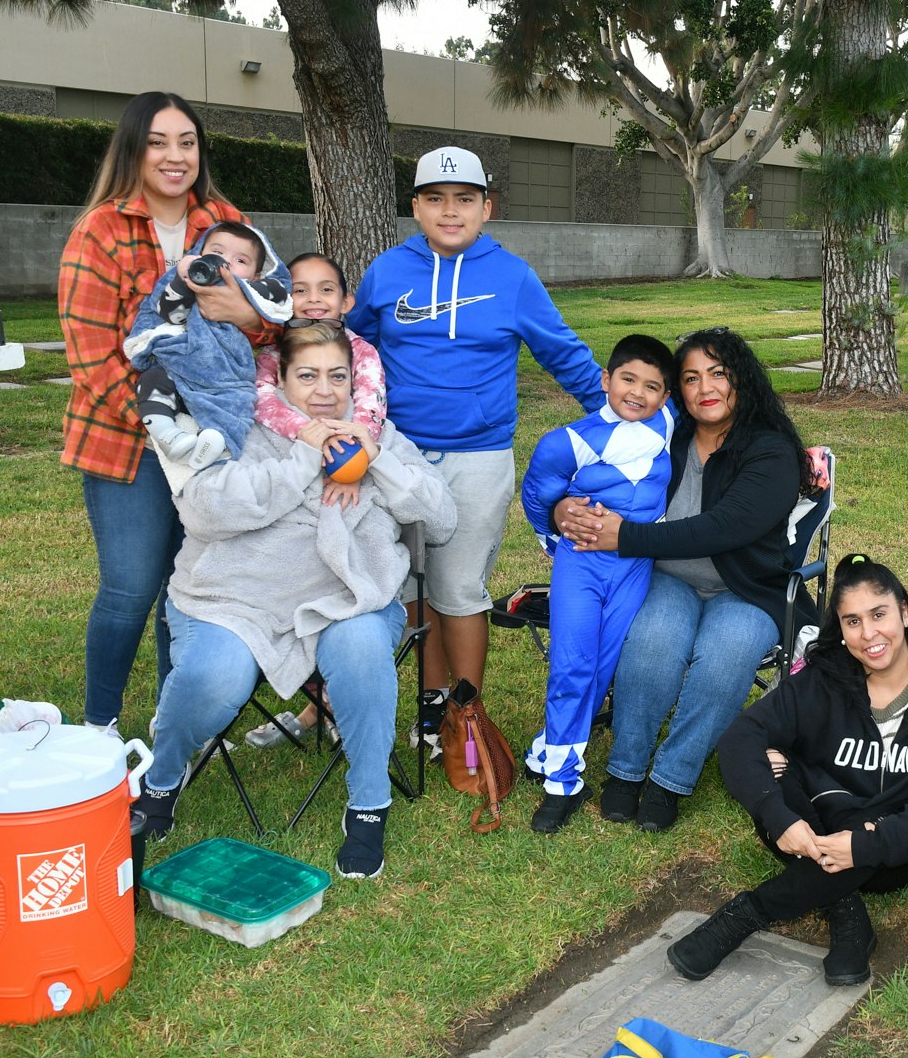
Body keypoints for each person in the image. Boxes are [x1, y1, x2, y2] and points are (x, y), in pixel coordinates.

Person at [131, 322, 456, 878]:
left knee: (359, 653)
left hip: (348, 597)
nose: (325, 390)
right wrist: (306, 459)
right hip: (236, 595)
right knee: (213, 677)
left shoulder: (378, 435)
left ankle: (369, 804)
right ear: (278, 379)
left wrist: (374, 459)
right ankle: (161, 781)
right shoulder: (243, 428)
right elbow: (207, 510)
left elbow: (442, 520)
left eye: (337, 376)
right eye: (307, 376)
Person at [349, 147, 606, 740]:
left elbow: (562, 354)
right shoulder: (387, 271)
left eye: (464, 199)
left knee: (458, 587)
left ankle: (468, 712)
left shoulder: (511, 275)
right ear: (414, 206)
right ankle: (432, 702)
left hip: (478, 457)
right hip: (395, 457)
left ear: (486, 207)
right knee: (409, 583)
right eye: (434, 199)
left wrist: (623, 419)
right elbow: (352, 353)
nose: (449, 211)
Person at [668, 555, 908, 987]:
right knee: (772, 769)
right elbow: (740, 737)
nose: (869, 634)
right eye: (852, 621)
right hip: (817, 822)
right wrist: (778, 817)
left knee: (870, 838)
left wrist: (867, 846)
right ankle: (846, 910)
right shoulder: (827, 675)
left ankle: (747, 914)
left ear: (905, 612)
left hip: (892, 846)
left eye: (879, 614)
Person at [58, 91, 265, 737]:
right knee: (130, 586)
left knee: (190, 590)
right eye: (158, 142)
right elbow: (91, 358)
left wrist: (246, 317)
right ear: (133, 150)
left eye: (187, 142)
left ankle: (173, 721)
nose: (175, 156)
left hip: (214, 443)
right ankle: (99, 728)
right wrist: (163, 427)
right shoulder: (100, 230)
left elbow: (263, 328)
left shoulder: (228, 222)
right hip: (128, 443)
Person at [553, 328, 815, 833]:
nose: (705, 388)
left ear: (741, 378)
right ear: (677, 390)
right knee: (653, 641)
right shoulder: (660, 436)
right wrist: (565, 507)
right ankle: (627, 770)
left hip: (748, 588)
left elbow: (724, 527)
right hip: (666, 578)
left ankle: (672, 778)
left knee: (726, 655)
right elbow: (590, 474)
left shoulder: (770, 449)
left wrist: (624, 537)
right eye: (691, 378)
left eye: (718, 373)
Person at [518, 334, 678, 833]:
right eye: (627, 379)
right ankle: (562, 783)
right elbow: (536, 496)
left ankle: (548, 748)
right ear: (606, 380)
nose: (638, 393)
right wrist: (557, 529)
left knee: (601, 669)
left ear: (666, 397)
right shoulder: (567, 441)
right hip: (581, 565)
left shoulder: (671, 424)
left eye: (653, 386)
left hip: (636, 564)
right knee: (572, 664)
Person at [242, 252, 391, 751]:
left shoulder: (361, 352)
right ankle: (316, 703)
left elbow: (369, 409)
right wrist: (308, 434)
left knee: (340, 590)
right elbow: (262, 403)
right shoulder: (270, 351)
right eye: (299, 290)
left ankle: (324, 708)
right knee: (284, 593)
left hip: (345, 485)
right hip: (285, 484)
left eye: (326, 290)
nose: (312, 301)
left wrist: (353, 462)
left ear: (346, 301)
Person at [127, 220, 292, 474]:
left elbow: (278, 294)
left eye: (240, 261)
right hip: (180, 361)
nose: (225, 263)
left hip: (223, 371)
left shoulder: (252, 290)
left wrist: (243, 300)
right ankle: (168, 435)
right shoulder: (187, 280)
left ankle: (218, 442)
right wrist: (184, 282)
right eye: (217, 253)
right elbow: (170, 314)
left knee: (237, 400)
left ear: (255, 275)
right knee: (153, 381)